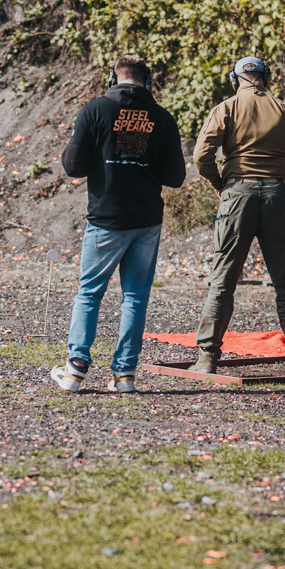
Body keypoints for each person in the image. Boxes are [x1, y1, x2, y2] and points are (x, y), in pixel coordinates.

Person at [49, 54, 186, 394]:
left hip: (107, 218)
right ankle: (125, 375)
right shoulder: (163, 118)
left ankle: (75, 370)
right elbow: (175, 177)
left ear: (113, 78)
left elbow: (73, 166)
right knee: (135, 298)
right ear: (148, 82)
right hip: (147, 220)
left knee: (89, 293)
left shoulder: (95, 110)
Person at [189, 55, 285, 375]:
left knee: (223, 279)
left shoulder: (226, 108)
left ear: (235, 80)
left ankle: (207, 357)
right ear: (266, 77)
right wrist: (278, 162)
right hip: (277, 195)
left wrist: (222, 184)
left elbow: (201, 156)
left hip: (237, 196)